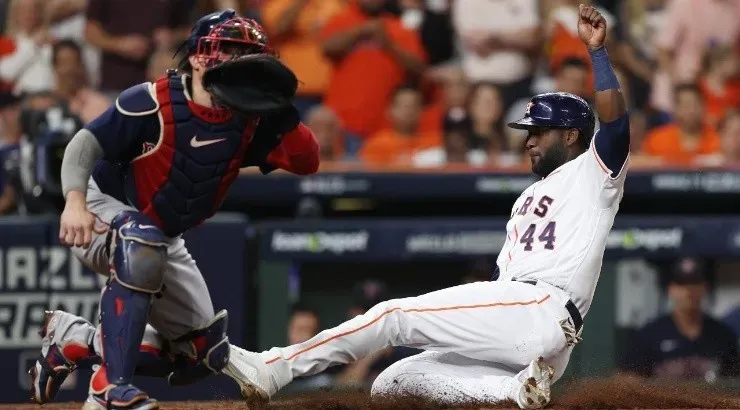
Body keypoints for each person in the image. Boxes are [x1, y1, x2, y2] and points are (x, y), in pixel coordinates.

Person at [224, 5, 630, 409]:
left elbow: (614, 124)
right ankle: (517, 391)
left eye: (539, 131)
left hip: (542, 308)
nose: (529, 140)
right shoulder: (528, 196)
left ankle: (274, 367)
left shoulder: (594, 172)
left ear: (573, 135)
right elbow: (500, 279)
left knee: (391, 316)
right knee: (396, 381)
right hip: (521, 327)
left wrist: (596, 52)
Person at [29, 10, 319, 410]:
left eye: (248, 55)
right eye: (230, 51)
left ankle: (76, 342)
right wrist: (74, 201)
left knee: (204, 355)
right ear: (200, 57)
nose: (238, 63)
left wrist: (284, 114)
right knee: (141, 241)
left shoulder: (252, 120)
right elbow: (85, 144)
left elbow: (308, 162)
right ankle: (109, 389)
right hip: (103, 208)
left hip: (162, 234)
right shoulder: (153, 100)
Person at [619, 257, 740, 380]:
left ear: (704, 287)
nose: (688, 291)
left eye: (694, 283)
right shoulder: (649, 334)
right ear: (671, 289)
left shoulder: (723, 335)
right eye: (681, 284)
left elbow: (734, 384)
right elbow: (627, 379)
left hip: (708, 398)